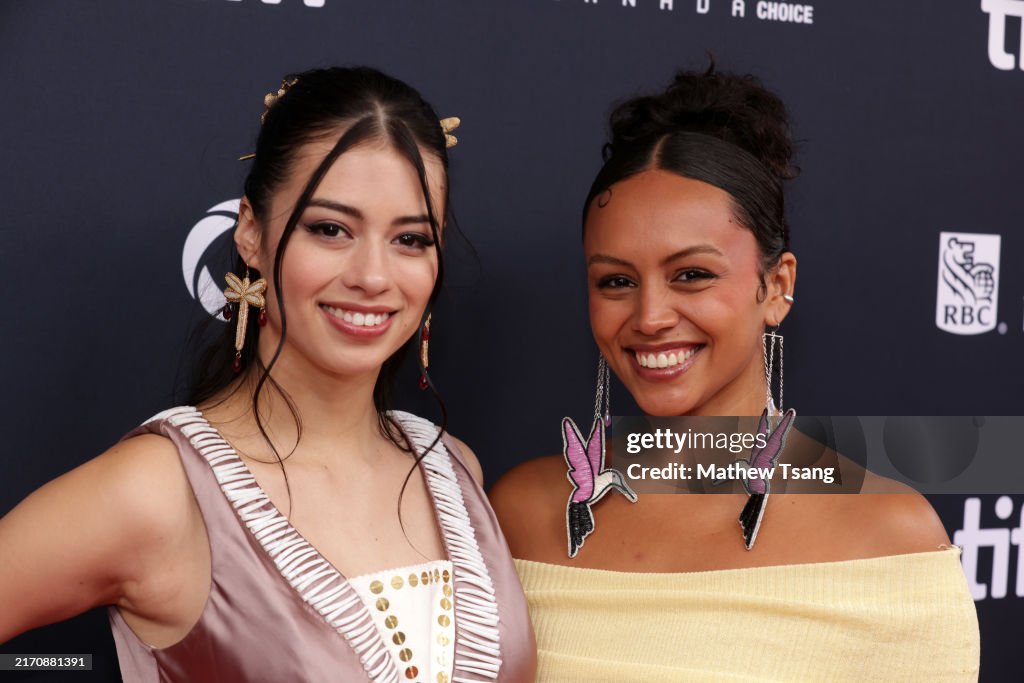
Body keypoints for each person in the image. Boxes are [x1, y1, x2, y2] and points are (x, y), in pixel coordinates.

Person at [0, 66, 535, 682]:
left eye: (410, 239)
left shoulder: (457, 471)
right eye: (330, 229)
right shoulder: (158, 493)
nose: (373, 276)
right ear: (252, 233)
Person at [490, 66, 979, 681]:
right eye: (616, 281)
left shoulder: (888, 535)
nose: (650, 316)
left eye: (692, 274)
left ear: (775, 286)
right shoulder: (521, 514)